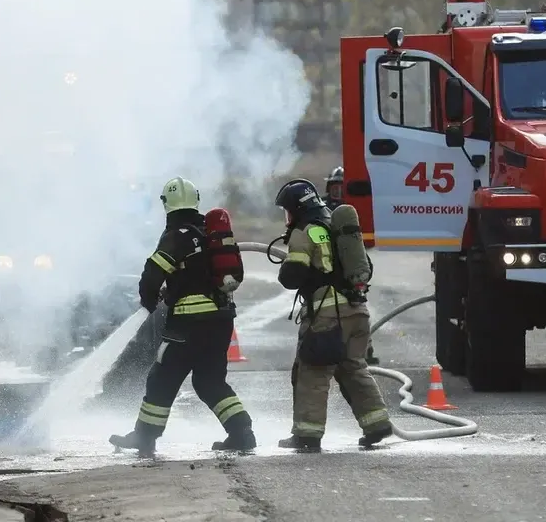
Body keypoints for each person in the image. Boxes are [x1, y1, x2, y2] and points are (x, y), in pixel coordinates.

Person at [109, 176, 256, 455]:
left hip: (188, 325)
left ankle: (144, 436)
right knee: (209, 382)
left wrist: (148, 300)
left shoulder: (176, 235)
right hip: (221, 321)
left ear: (166, 204)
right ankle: (242, 432)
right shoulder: (207, 234)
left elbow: (153, 272)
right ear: (196, 199)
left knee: (162, 377)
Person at [274, 179, 393, 451]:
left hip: (328, 314)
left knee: (312, 372)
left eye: (287, 211)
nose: (287, 218)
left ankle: (307, 435)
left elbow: (292, 276)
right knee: (353, 367)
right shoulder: (337, 226)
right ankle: (377, 424)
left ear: (297, 209)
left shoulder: (305, 231)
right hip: (357, 311)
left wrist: (289, 262)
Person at [322, 165, 380, 367]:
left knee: (357, 303)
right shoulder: (322, 210)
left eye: (343, 190)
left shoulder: (354, 211)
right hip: (328, 266)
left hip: (351, 265)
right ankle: (329, 345)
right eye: (335, 190)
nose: (338, 196)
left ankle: (365, 347)